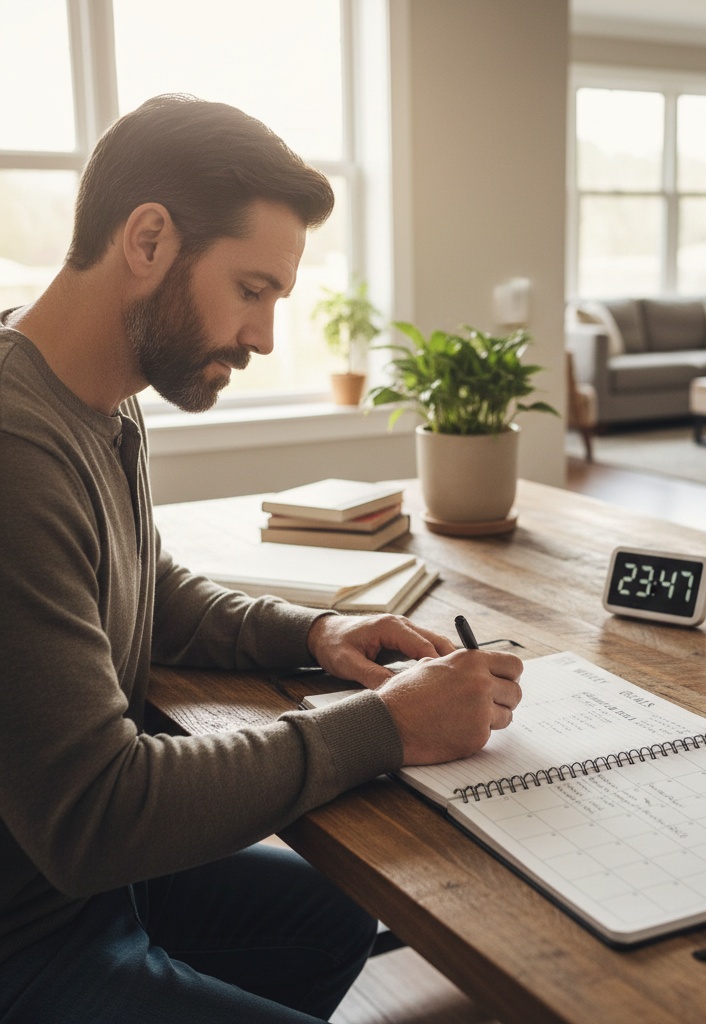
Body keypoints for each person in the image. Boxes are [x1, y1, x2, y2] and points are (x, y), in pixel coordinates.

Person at [0, 94, 523, 1023]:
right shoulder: (13, 448)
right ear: (149, 239)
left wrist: (319, 633)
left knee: (332, 919)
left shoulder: (100, 393)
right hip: (27, 935)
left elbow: (147, 588)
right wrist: (386, 726)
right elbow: (100, 815)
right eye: (253, 290)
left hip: (76, 893)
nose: (264, 337)